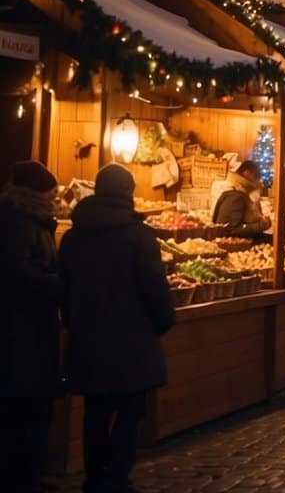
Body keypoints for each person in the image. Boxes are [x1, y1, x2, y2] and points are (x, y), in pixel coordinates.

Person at [60, 164, 175, 493]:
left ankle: (95, 479)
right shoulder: (138, 236)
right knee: (129, 414)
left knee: (94, 414)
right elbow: (155, 287)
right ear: (127, 193)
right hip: (133, 343)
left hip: (89, 341)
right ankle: (117, 480)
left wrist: (74, 324)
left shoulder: (73, 237)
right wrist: (163, 321)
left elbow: (64, 289)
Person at [0, 161, 61, 493]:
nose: (55, 197)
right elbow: (19, 273)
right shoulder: (19, 224)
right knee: (23, 405)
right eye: (51, 192)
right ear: (36, 194)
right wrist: (58, 284)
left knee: (31, 404)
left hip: (31, 327)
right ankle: (20, 477)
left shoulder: (32, 220)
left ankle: (27, 474)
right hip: (21, 329)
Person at [213, 160, 270, 240]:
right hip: (237, 247)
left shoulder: (241, 193)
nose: (257, 182)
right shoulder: (235, 196)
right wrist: (260, 225)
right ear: (247, 173)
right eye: (256, 177)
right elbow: (229, 230)